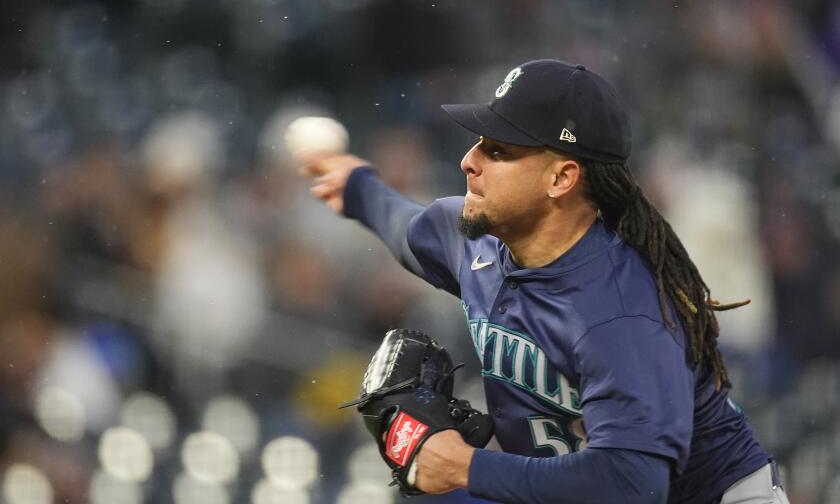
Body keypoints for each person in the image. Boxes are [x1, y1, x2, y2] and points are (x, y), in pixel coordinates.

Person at [302, 60, 788, 503]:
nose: (469, 161)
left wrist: (465, 466)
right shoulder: (481, 245)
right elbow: (403, 225)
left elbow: (632, 485)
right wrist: (355, 185)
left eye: (497, 150)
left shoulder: (619, 312)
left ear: (562, 178)